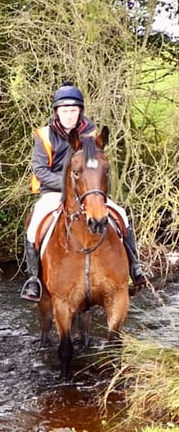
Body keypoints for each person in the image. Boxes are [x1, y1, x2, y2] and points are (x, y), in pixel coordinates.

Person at [20, 82, 147, 301]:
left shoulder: (91, 134)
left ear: (80, 111)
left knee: (121, 214)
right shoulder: (44, 135)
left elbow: (97, 167)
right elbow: (40, 170)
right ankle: (33, 279)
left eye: (73, 110)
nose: (69, 115)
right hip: (54, 191)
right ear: (57, 112)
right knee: (34, 226)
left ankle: (135, 266)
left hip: (88, 191)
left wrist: (89, 188)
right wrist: (68, 186)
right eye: (64, 111)